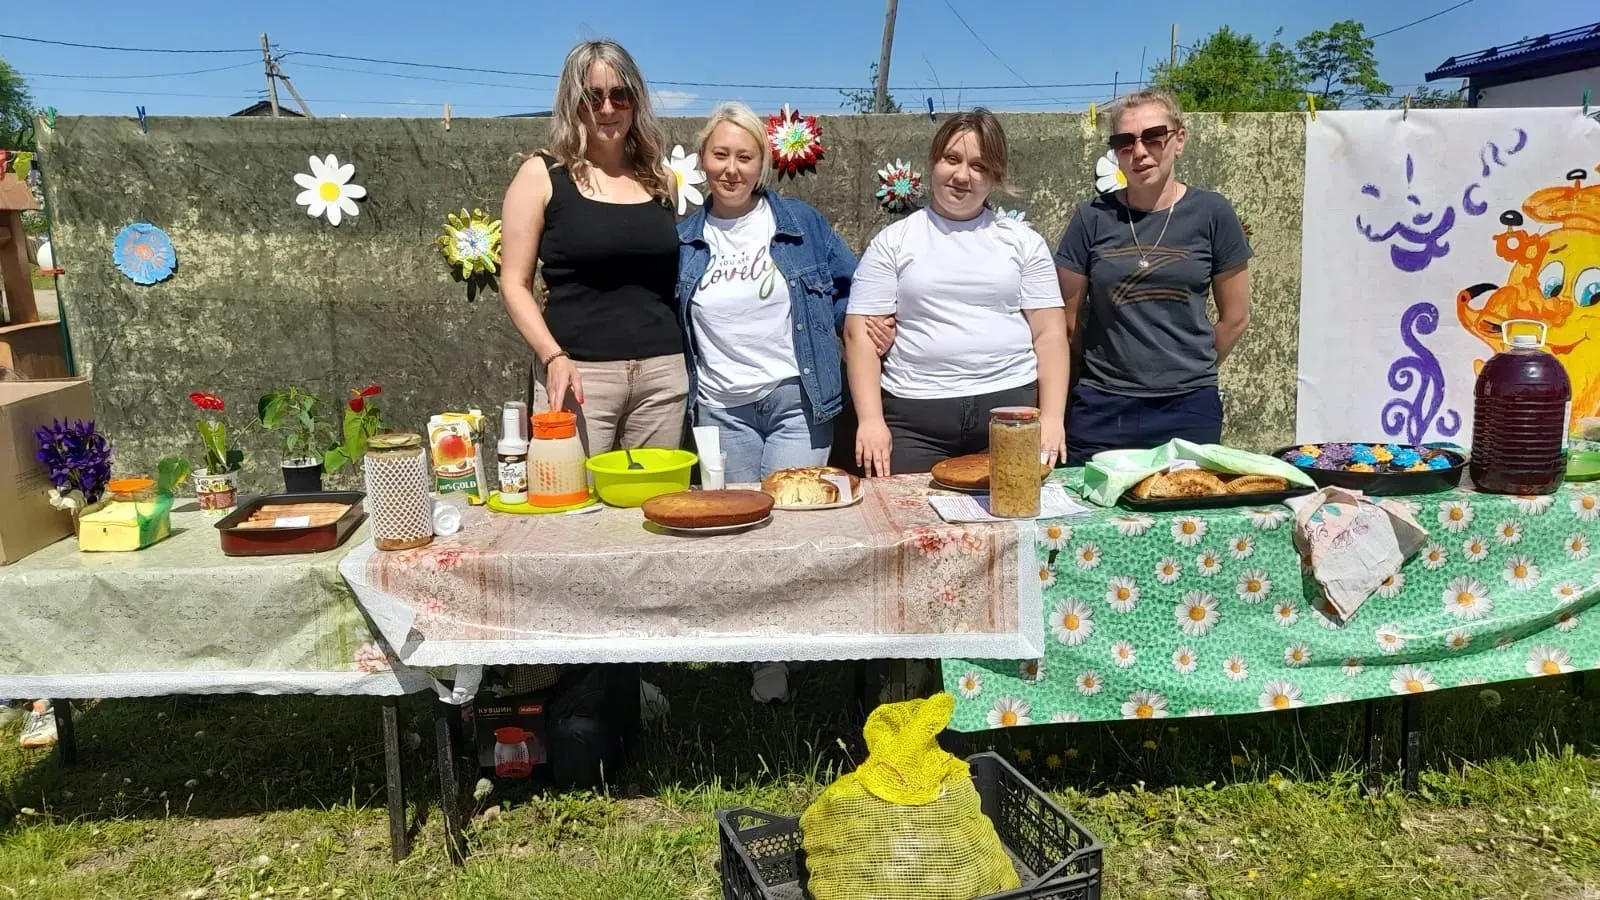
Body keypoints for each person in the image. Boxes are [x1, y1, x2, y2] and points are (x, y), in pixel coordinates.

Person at [676, 101, 893, 484]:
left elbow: (855, 290)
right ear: (702, 159)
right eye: (720, 155)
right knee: (738, 520)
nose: (731, 169)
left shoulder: (801, 224)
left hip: (797, 403)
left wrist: (873, 323)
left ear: (761, 165)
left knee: (793, 514)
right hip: (721, 409)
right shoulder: (683, 242)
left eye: (745, 157)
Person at [845, 109, 1069, 476]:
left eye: (979, 166)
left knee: (1014, 525)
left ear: (995, 176)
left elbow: (1050, 333)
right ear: (934, 161)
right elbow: (860, 336)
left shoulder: (1023, 242)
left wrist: (1053, 417)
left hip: (1009, 419)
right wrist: (870, 421)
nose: (963, 175)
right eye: (952, 159)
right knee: (915, 530)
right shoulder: (893, 241)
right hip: (915, 425)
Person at [502, 39, 687, 454]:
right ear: (573, 103)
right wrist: (553, 357)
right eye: (592, 97)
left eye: (620, 95)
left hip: (662, 375)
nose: (607, 109)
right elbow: (514, 283)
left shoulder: (662, 181)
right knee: (571, 506)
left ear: (636, 101)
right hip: (578, 374)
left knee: (655, 506)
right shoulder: (542, 176)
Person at [1055, 89, 1253, 465]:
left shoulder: (1212, 213)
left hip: (1188, 408)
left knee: (1186, 518)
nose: (1140, 151)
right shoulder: (1091, 219)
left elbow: (1236, 318)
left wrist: (1185, 368)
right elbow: (1067, 320)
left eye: (1153, 137)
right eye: (1125, 142)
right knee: (1095, 520)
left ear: (1179, 140)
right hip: (1102, 409)